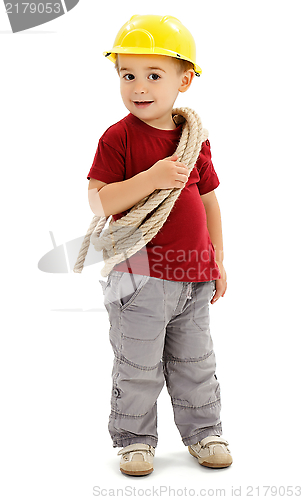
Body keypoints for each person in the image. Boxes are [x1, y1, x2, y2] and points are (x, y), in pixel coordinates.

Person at [87, 15, 233, 476]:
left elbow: (208, 201)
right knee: (138, 363)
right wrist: (150, 179)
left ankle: (204, 431)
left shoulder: (193, 140)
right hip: (139, 277)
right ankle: (134, 439)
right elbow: (99, 199)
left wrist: (219, 258)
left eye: (154, 75)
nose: (139, 87)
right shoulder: (119, 137)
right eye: (128, 75)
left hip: (193, 275)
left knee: (195, 360)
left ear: (184, 81)